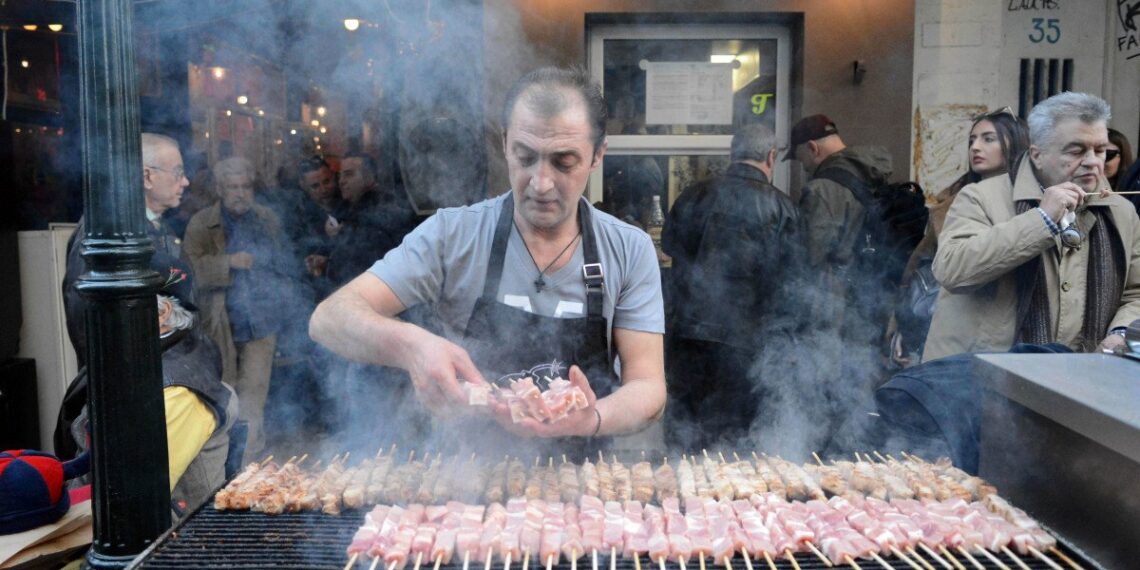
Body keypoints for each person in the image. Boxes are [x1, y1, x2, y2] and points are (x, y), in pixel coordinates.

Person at [309, 67, 666, 457]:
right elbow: (330, 319)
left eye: (564, 162)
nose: (540, 182)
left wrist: (592, 417)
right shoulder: (452, 234)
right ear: (505, 142)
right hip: (467, 478)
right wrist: (412, 345)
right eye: (525, 157)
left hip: (580, 488)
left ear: (598, 155)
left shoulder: (628, 249)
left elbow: (648, 387)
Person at [923, 92, 1140, 361]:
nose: (1093, 162)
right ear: (1037, 155)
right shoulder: (980, 197)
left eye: (1100, 150)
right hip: (983, 380)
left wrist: (1121, 332)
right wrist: (1042, 219)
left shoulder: (1121, 211)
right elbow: (952, 270)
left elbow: (1136, 292)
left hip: (1084, 380)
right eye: (1076, 150)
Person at [58, 256, 237, 515]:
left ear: (162, 313)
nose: (100, 316)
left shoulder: (177, 392)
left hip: (169, 540)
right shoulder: (141, 355)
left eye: (115, 304)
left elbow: (132, 498)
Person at [660, 123, 800, 450]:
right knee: (738, 444)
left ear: (732, 154)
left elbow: (669, 247)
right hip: (748, 345)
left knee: (686, 434)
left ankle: (681, 494)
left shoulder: (694, 195)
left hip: (688, 338)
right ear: (770, 156)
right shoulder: (783, 208)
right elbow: (792, 284)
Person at [183, 157, 297, 461]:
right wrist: (227, 263)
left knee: (253, 398)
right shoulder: (201, 223)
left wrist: (282, 304)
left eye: (245, 186)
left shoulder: (268, 219)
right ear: (220, 189)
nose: (240, 193)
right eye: (232, 187)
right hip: (218, 321)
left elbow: (286, 264)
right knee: (224, 394)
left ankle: (247, 464)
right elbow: (187, 272)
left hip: (261, 320)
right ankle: (222, 465)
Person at [894, 108, 1030, 360]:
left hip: (1006, 333)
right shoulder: (956, 199)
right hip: (949, 323)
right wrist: (904, 324)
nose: (975, 147)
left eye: (988, 139)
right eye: (971, 140)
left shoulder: (1031, 202)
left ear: (1017, 143)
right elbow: (920, 267)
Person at [63, 133, 190, 367]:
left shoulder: (163, 229)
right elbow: (86, 318)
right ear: (147, 177)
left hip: (168, 368)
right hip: (132, 372)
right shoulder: (105, 231)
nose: (185, 182)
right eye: (178, 173)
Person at [785, 114, 895, 344]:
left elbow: (810, 256)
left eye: (800, 159)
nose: (803, 168)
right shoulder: (872, 174)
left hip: (833, 308)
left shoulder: (822, 189)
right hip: (869, 299)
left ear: (812, 148)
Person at [326, 151, 419, 286]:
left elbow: (365, 261)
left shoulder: (384, 212)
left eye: (349, 174)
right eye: (339, 175)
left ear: (369, 177)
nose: (341, 181)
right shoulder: (345, 212)